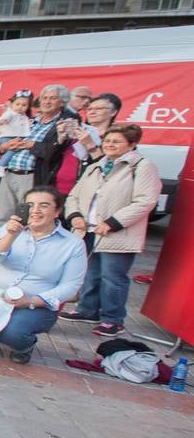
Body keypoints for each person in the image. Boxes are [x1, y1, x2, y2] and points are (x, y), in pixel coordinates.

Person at [0, 186, 87, 364]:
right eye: (30, 205)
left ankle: (25, 345)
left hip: (34, 305)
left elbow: (71, 285)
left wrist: (31, 301)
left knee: (11, 331)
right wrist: (10, 236)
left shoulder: (73, 244)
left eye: (43, 205)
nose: (35, 210)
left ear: (57, 211)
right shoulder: (10, 228)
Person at [61, 125, 161, 336]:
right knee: (91, 272)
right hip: (88, 229)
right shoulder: (97, 165)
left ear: (132, 144)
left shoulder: (141, 166)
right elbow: (74, 195)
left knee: (113, 277)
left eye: (116, 141)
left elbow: (146, 201)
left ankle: (113, 319)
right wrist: (75, 215)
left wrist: (114, 222)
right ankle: (87, 310)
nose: (109, 145)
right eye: (107, 140)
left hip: (117, 232)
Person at [0, 85, 75, 229]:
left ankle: (21, 249)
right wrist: (4, 146)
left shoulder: (62, 124)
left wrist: (32, 145)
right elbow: (3, 143)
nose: (47, 102)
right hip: (9, 172)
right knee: (2, 218)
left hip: (31, 176)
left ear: (62, 102)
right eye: (44, 98)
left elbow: (53, 152)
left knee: (25, 219)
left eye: (53, 98)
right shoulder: (29, 120)